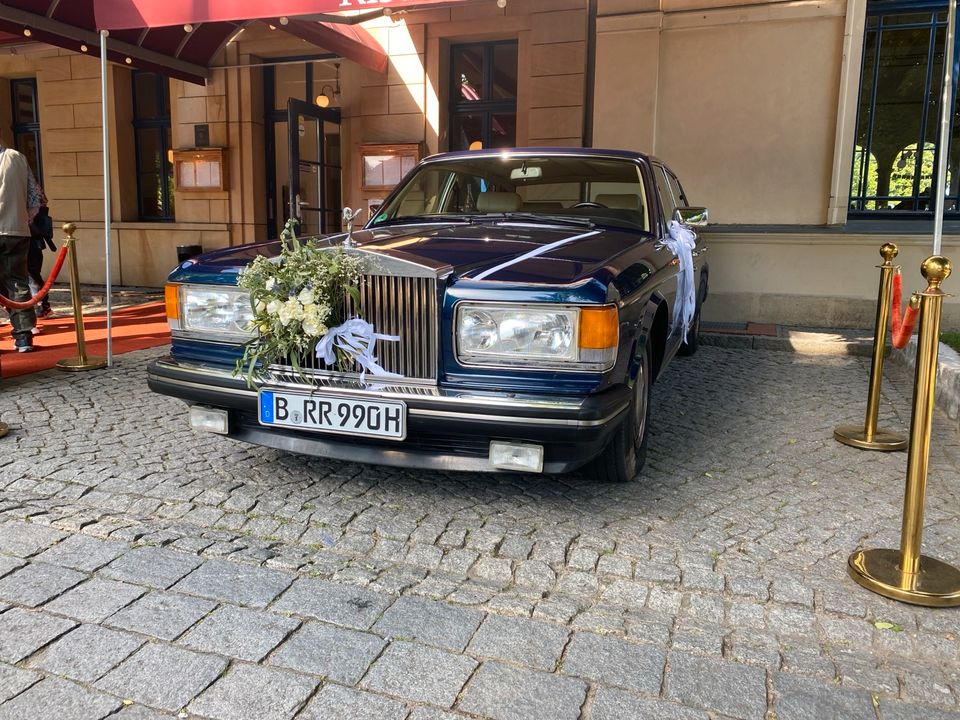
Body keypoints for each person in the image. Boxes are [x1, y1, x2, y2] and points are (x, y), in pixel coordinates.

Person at [0, 139, 45, 352]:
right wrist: (23, 218)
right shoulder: (17, 158)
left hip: (13, 228)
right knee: (17, 283)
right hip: (16, 230)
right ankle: (23, 337)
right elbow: (36, 198)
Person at [27, 205, 54, 321]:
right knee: (32, 273)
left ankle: (41, 305)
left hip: (30, 237)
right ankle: (41, 305)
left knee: (32, 274)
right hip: (25, 235)